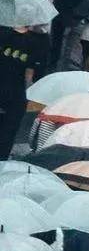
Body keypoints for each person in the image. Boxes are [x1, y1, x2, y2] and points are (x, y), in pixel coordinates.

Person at [0, 23, 47, 160]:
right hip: (16, 93)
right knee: (7, 134)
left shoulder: (3, 32)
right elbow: (33, 73)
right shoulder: (38, 41)